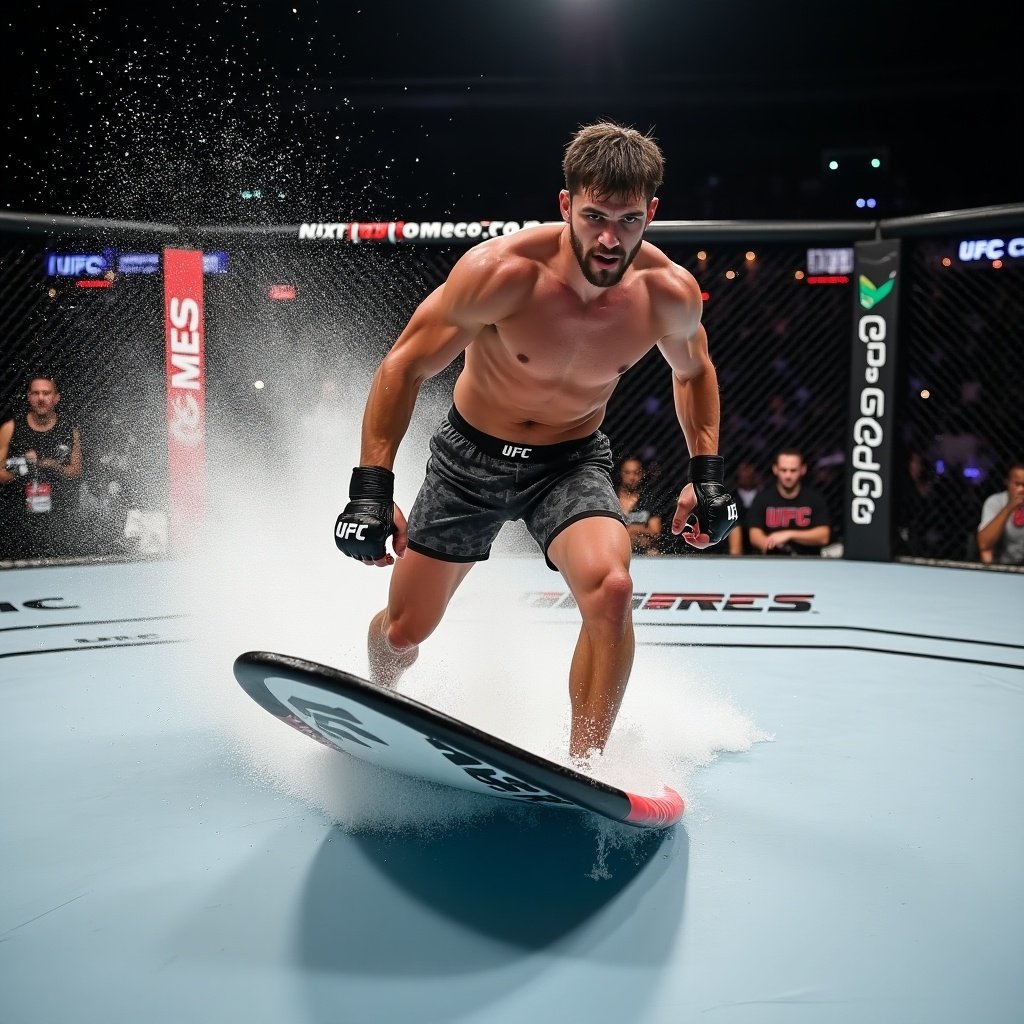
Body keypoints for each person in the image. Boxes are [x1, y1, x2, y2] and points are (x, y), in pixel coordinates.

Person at [333, 121, 738, 761]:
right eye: (595, 216)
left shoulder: (667, 294)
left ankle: (586, 765)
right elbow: (403, 365)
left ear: (652, 213)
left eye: (629, 220)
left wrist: (708, 477)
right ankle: (375, 699)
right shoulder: (502, 273)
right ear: (565, 205)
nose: (610, 239)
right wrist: (370, 492)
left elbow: (695, 373)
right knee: (406, 628)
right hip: (471, 461)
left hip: (570, 462)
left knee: (612, 587)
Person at [0, 374, 83, 558]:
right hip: (17, 523)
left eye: (46, 393)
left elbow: (77, 471)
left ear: (56, 398)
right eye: (36, 393)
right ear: (29, 397)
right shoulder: (11, 428)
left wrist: (55, 466)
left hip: (60, 522)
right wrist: (23, 464)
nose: (41, 398)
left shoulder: (69, 429)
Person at [746, 447, 831, 556]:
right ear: (775, 469)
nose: (788, 476)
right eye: (784, 470)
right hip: (772, 560)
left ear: (803, 470)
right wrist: (771, 546)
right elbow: (754, 535)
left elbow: (823, 536)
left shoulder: (814, 498)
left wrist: (789, 534)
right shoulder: (763, 498)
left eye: (793, 470)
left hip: (807, 560)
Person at [976, 460, 1024, 565]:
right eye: (1017, 484)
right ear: (1007, 482)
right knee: (986, 552)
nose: (1021, 490)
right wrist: (1009, 507)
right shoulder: (996, 501)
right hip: (1004, 564)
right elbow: (984, 544)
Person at [615, 455, 663, 555]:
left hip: (644, 553)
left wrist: (633, 530)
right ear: (620, 474)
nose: (632, 478)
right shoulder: (611, 498)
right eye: (627, 473)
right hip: (615, 551)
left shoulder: (648, 500)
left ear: (642, 474)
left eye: (636, 473)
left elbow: (655, 532)